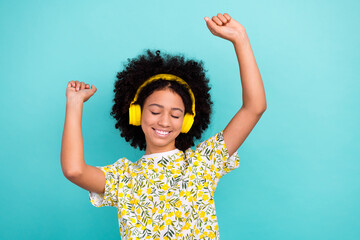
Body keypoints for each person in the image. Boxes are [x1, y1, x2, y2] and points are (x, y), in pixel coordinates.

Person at [61, 12, 266, 240]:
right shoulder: (124, 178)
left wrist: (241, 39)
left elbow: (254, 108)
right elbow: (74, 170)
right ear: (136, 113)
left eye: (176, 115)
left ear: (187, 121)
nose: (165, 121)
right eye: (155, 111)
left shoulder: (203, 163)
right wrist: (75, 103)